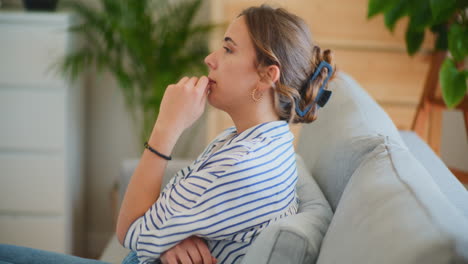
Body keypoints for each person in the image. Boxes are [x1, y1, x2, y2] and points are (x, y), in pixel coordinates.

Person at [116, 4, 336, 264]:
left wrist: (167, 126)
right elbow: (158, 221)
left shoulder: (240, 165)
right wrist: (171, 237)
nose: (210, 58)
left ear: (267, 75)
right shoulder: (256, 141)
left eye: (229, 49)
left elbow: (130, 231)